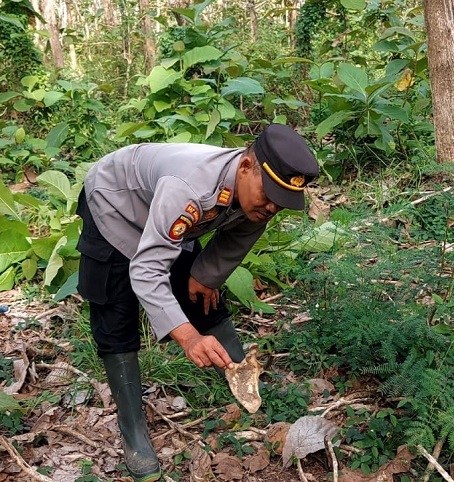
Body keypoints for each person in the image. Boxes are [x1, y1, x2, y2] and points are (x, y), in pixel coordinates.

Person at [76, 124, 319, 482]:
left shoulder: (257, 198)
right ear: (246, 166)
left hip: (164, 213)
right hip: (116, 203)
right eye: (268, 195)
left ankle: (241, 377)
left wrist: (206, 274)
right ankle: (133, 432)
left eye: (281, 201)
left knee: (204, 294)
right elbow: (146, 269)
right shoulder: (190, 190)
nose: (272, 207)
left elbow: (239, 236)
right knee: (116, 312)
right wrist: (188, 337)